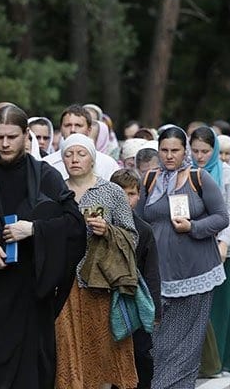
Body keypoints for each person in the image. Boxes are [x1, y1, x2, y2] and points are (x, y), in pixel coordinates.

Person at [0, 104, 86, 388]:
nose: (4, 144)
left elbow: (75, 226)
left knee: (31, 372)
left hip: (31, 289)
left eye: (11, 137)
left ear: (26, 135)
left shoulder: (46, 177)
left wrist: (35, 229)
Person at [135, 126, 228, 388]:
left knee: (188, 344)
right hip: (159, 273)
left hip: (196, 272)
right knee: (159, 340)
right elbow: (140, 221)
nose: (169, 156)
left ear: (184, 150)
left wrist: (193, 227)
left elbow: (222, 217)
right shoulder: (150, 179)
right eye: (164, 150)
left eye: (175, 150)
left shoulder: (199, 178)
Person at [55, 134, 139, 389]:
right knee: (65, 346)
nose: (75, 159)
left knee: (101, 348)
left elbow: (132, 236)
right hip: (63, 279)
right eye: (69, 154)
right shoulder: (56, 190)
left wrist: (108, 230)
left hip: (100, 280)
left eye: (81, 153)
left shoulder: (111, 191)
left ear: (92, 157)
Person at [190, 127, 230, 374]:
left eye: (205, 151)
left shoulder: (229, 175)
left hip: (226, 249)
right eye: (195, 150)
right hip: (195, 247)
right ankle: (200, 362)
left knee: (223, 307)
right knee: (199, 309)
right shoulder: (186, 174)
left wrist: (223, 242)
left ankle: (222, 360)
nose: (200, 156)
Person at [110, 169, 162, 388]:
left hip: (136, 301)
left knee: (141, 354)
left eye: (131, 193)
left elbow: (152, 272)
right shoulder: (98, 226)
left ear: (139, 195)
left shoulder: (144, 230)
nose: (125, 198)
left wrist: (155, 311)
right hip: (106, 300)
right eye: (119, 192)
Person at [43, 104, 120, 180]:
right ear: (61, 130)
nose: (72, 130)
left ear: (89, 130)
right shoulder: (47, 164)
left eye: (78, 125)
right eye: (68, 125)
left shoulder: (108, 164)